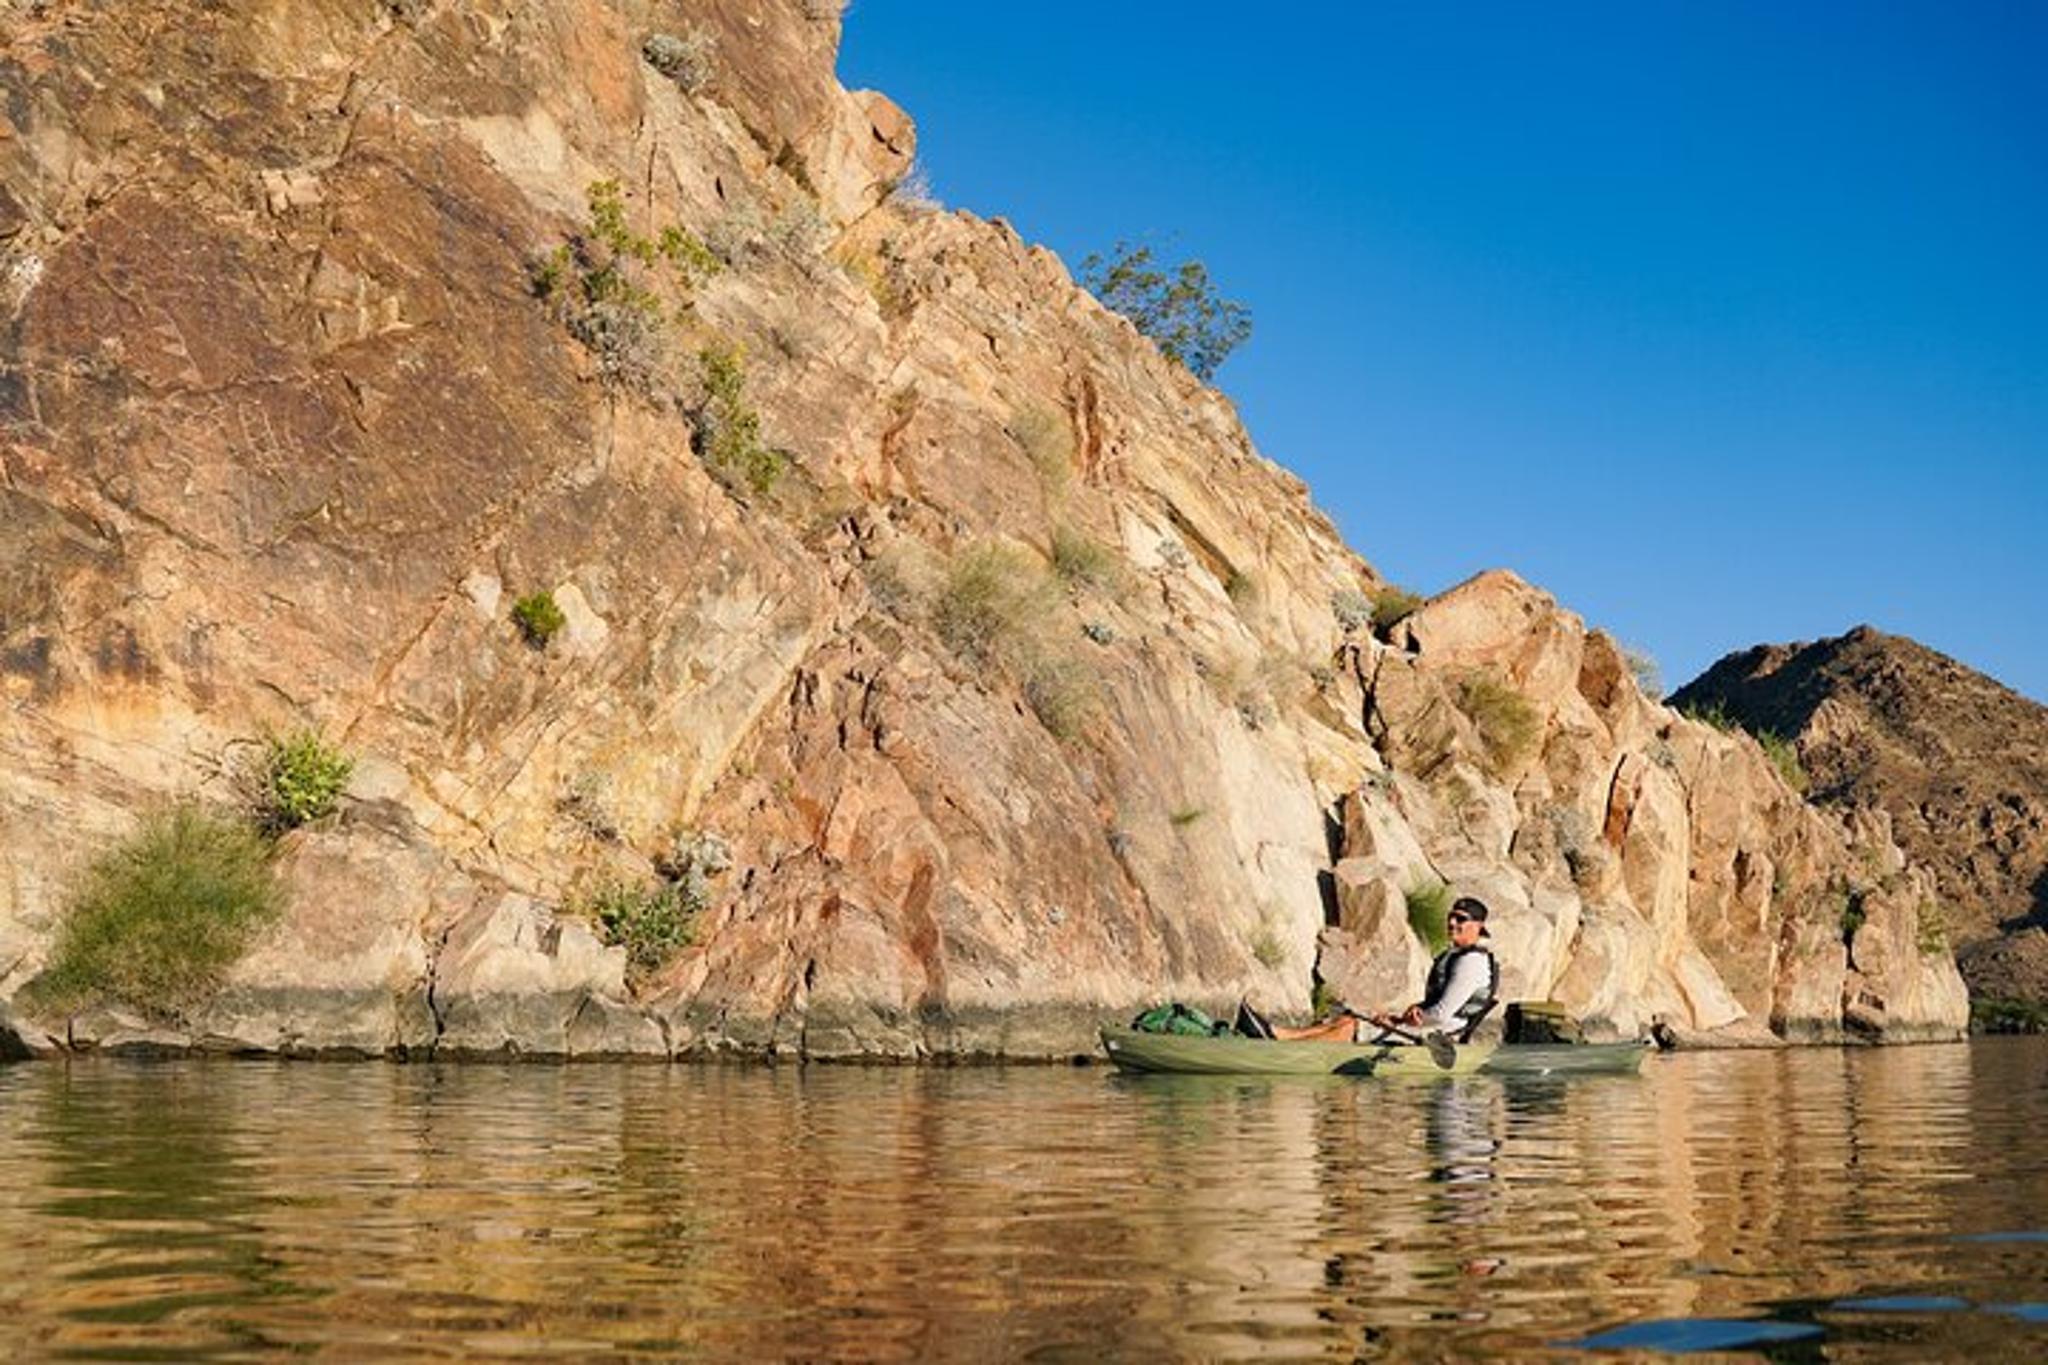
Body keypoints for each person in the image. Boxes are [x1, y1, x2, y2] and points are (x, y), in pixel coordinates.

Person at [1255, 896, 1500, 1044]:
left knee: (1351, 1028)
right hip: (1430, 1027)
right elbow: (1433, 1007)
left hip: (1442, 1037)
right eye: (1451, 916)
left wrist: (1408, 1021)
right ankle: (1279, 1036)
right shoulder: (1456, 956)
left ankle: (1279, 1053)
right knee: (1347, 1019)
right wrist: (1398, 1019)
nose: (1452, 923)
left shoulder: (1472, 963)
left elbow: (1442, 1013)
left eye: (1460, 919)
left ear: (1478, 926)